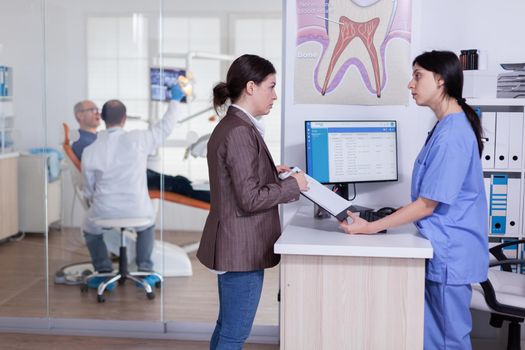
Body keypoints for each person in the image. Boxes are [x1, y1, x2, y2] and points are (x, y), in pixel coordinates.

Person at [340, 50, 489, 349]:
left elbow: (427, 204)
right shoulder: (446, 125)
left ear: (441, 80)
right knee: (432, 336)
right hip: (443, 245)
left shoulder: (453, 134)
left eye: (418, 76)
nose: (410, 84)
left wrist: (370, 227)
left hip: (450, 250)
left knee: (448, 341)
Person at [196, 54, 308, 350]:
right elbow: (249, 199)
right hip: (241, 249)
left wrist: (273, 174)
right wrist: (292, 187)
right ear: (250, 87)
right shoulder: (239, 132)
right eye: (271, 87)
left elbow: (240, 184)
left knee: (227, 327)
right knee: (234, 333)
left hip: (234, 244)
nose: (274, 96)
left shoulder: (233, 125)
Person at [81, 97, 178, 288]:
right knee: (147, 225)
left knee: (89, 227)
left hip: (104, 211)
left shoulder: (91, 150)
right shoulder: (139, 139)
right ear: (124, 119)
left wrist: (94, 200)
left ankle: (103, 272)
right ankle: (145, 271)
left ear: (102, 118)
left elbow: (88, 188)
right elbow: (165, 127)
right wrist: (174, 101)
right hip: (137, 210)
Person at [72, 98, 210, 202]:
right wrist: (175, 100)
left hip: (130, 179)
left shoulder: (100, 138)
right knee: (181, 184)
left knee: (181, 181)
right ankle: (218, 203)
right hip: (127, 183)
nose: (97, 113)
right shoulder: (84, 144)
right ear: (79, 115)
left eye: (98, 110)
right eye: (92, 110)